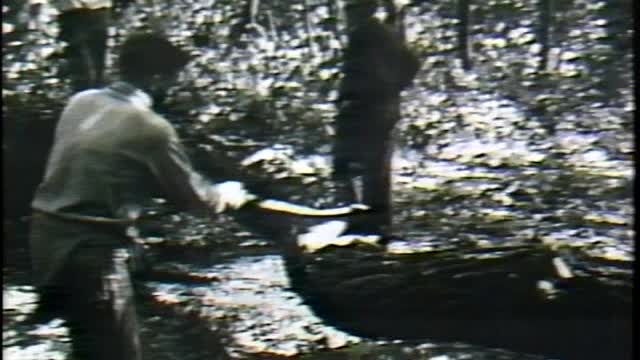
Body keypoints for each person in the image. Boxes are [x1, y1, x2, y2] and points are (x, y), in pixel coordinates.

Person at [28, 32, 254, 360]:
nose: (174, 87)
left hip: (47, 242)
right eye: (173, 79)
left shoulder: (82, 102)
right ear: (158, 78)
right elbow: (198, 201)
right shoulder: (151, 127)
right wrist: (227, 195)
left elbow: (97, 173)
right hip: (90, 252)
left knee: (87, 343)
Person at [332, 0, 420, 238]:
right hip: (361, 108)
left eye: (355, 9)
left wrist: (387, 90)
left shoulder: (373, 33)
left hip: (372, 109)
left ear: (367, 9)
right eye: (349, 10)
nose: (350, 15)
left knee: (370, 168)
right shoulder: (366, 33)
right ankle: (363, 221)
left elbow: (410, 64)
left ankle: (372, 224)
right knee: (356, 166)